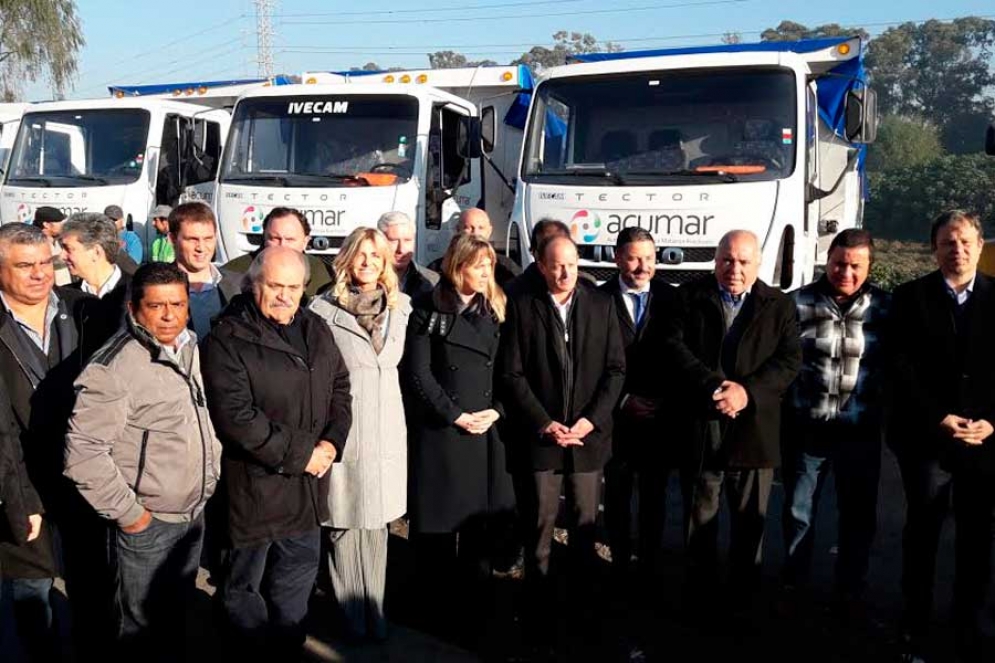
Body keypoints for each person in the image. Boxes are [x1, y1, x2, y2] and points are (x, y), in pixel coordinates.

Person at [64, 262, 222, 659]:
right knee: (140, 631)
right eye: (157, 306)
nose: (169, 315)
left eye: (178, 304)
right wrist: (132, 515)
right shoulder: (113, 368)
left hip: (190, 515)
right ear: (134, 309)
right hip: (147, 524)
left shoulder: (186, 345)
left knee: (173, 619)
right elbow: (83, 454)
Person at [202, 246, 352, 658]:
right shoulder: (226, 339)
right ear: (254, 284)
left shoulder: (315, 328)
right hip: (254, 493)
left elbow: (340, 387)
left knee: (295, 588)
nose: (285, 295)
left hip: (306, 493)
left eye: (293, 287)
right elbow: (236, 418)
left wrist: (331, 444)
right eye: (275, 286)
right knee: (242, 593)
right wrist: (305, 453)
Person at [663, 230, 800, 605]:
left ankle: (743, 602)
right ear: (716, 260)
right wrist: (714, 385)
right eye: (726, 260)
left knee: (749, 525)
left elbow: (789, 362)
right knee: (699, 520)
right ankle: (699, 598)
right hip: (702, 425)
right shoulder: (688, 298)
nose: (733, 269)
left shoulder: (779, 305)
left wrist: (746, 392)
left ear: (758, 263)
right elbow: (674, 348)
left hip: (755, 430)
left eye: (742, 261)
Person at [499, 235, 625, 638]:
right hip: (541, 441)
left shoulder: (602, 304)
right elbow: (511, 374)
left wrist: (591, 420)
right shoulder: (522, 307)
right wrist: (543, 422)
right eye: (557, 264)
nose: (566, 272)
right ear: (540, 264)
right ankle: (537, 613)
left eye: (571, 263)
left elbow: (615, 371)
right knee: (539, 528)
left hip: (587, 441)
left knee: (585, 529)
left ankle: (583, 611)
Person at [889, 210, 995, 663]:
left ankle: (969, 618)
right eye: (948, 242)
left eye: (966, 241)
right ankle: (915, 616)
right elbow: (900, 369)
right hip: (929, 438)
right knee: (923, 530)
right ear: (934, 248)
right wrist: (939, 417)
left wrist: (993, 421)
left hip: (984, 441)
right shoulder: (909, 298)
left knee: (977, 535)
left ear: (980, 244)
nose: (958, 249)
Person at [0, 223, 109, 661]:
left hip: (84, 478)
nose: (40, 274)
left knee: (94, 589)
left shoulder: (83, 310)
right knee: (33, 593)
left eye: (46, 262)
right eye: (25, 266)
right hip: (21, 481)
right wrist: (18, 498)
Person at [404, 233, 515, 639]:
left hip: (486, 433)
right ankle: (432, 613)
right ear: (457, 267)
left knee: (478, 533)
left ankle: (477, 612)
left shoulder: (498, 309)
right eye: (478, 266)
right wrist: (454, 415)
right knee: (436, 532)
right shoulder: (428, 309)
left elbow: (510, 369)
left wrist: (496, 411)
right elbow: (419, 373)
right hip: (443, 434)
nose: (486, 273)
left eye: (489, 265)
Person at [781, 229, 890, 616]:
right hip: (807, 429)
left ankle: (850, 588)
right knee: (798, 512)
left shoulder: (886, 308)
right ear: (827, 261)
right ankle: (794, 582)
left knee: (858, 516)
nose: (845, 272)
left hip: (859, 432)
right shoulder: (796, 304)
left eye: (855, 266)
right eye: (838, 263)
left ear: (869, 267)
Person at [310, 227, 411, 641]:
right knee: (345, 527)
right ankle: (352, 622)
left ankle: (376, 616)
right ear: (346, 259)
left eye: (376, 254)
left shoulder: (402, 307)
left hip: (387, 432)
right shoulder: (321, 311)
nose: (368, 261)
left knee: (377, 529)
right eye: (360, 254)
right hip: (345, 430)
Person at [600, 227, 679, 588]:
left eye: (649, 257)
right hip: (616, 417)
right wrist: (623, 400)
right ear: (617, 258)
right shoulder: (597, 300)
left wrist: (663, 401)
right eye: (633, 257)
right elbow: (591, 361)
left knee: (654, 497)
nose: (642, 266)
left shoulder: (673, 299)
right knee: (616, 496)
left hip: (661, 417)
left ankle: (649, 564)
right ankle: (617, 562)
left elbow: (681, 358)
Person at [223, 207, 334, 297]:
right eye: (275, 239)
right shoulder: (232, 274)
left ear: (305, 242)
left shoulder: (323, 275)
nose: (282, 246)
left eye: (290, 240)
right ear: (264, 238)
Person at [169, 202, 239, 339]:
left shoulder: (237, 285)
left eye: (208, 239)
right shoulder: (155, 288)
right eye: (192, 239)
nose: (201, 247)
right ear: (172, 239)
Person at [60, 213, 132, 343]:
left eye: (68, 249)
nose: (62, 256)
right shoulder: (63, 297)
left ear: (96, 252)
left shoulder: (137, 291)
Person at [430, 208, 521, 287]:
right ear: (458, 230)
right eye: (469, 228)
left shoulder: (505, 267)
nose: (475, 233)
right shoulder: (439, 268)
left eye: (481, 228)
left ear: (489, 231)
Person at [377, 211, 438, 299]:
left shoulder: (431, 281)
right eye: (393, 241)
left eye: (407, 240)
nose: (401, 249)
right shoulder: (367, 278)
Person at [30, 207, 70, 286]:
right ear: (46, 225)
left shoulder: (60, 241)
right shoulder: (34, 244)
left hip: (67, 290)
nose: (63, 225)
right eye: (59, 222)